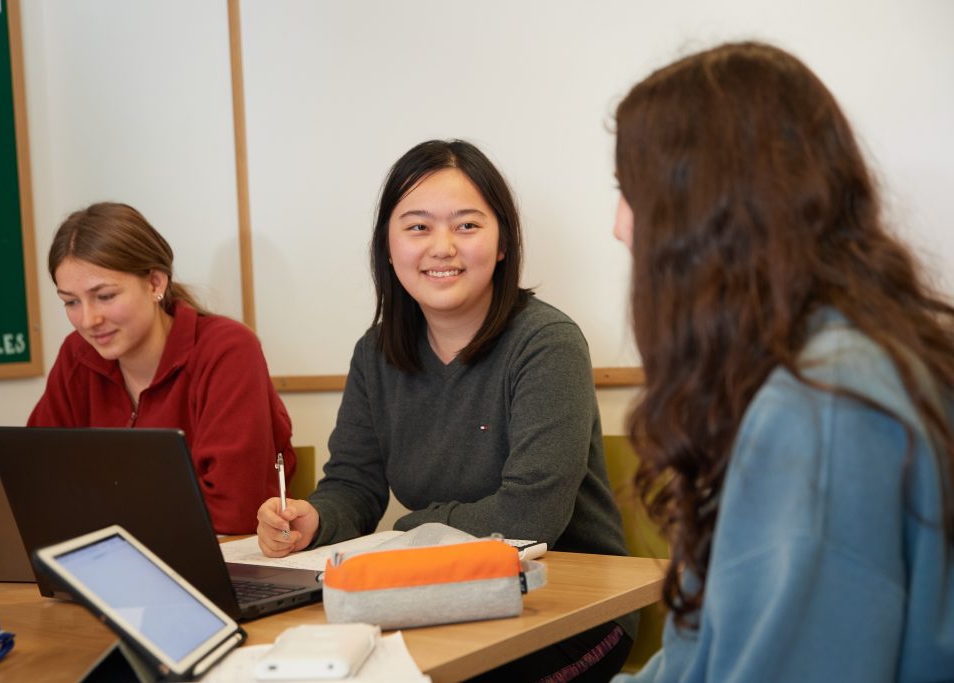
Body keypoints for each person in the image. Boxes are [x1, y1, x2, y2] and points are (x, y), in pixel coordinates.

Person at [609, 42, 954, 681]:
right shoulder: (838, 365)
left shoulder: (821, 408)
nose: (619, 224)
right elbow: (701, 658)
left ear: (705, 213)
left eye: (630, 193)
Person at [256, 139, 637, 680]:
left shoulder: (547, 343)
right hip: (442, 593)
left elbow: (530, 519)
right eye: (417, 227)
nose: (442, 247)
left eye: (466, 225)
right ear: (388, 247)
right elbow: (354, 486)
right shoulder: (377, 350)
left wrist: (416, 527)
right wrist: (313, 520)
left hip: (569, 607)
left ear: (502, 243)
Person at [28, 202, 296, 535]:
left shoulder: (227, 349)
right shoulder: (77, 355)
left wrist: (96, 507)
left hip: (224, 566)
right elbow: (33, 484)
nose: (88, 320)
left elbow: (237, 510)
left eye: (106, 296)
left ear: (155, 283)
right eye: (70, 302)